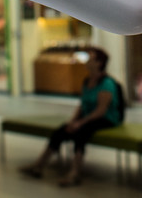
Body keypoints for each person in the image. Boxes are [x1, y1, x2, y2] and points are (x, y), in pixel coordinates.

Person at [19, 47, 122, 187]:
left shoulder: (107, 83)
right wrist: (73, 121)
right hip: (87, 118)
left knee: (81, 133)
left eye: (90, 59)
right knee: (61, 131)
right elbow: (82, 105)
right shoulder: (87, 81)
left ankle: (75, 173)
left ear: (99, 63)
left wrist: (80, 123)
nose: (86, 61)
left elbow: (101, 110)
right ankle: (39, 165)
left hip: (106, 119)